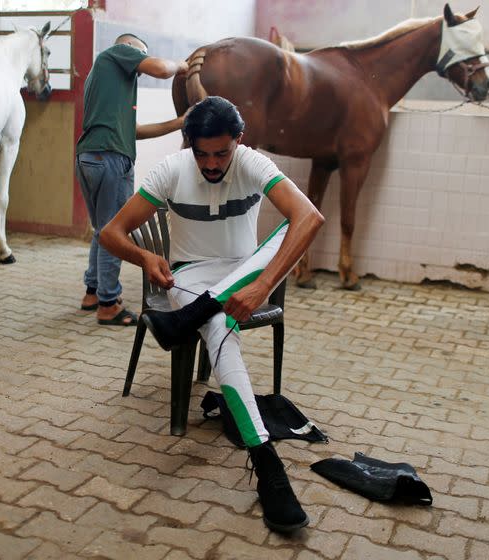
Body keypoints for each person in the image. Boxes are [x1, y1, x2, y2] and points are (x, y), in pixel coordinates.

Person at [100, 96, 325, 532]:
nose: (212, 164)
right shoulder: (171, 169)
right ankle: (267, 465)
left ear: (238, 141)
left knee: (294, 227)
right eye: (202, 153)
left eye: (222, 152)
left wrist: (261, 286)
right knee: (220, 328)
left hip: (247, 273)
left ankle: (192, 317)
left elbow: (310, 217)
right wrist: (145, 257)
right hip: (190, 278)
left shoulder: (252, 163)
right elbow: (110, 233)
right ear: (190, 145)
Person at [76, 33, 188, 326]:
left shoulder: (105, 80)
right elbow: (162, 69)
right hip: (111, 159)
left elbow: (134, 131)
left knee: (104, 229)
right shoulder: (118, 53)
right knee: (117, 232)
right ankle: (109, 304)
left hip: (91, 157)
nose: (139, 66)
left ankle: (93, 292)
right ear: (130, 49)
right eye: (140, 58)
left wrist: (178, 124)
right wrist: (181, 65)